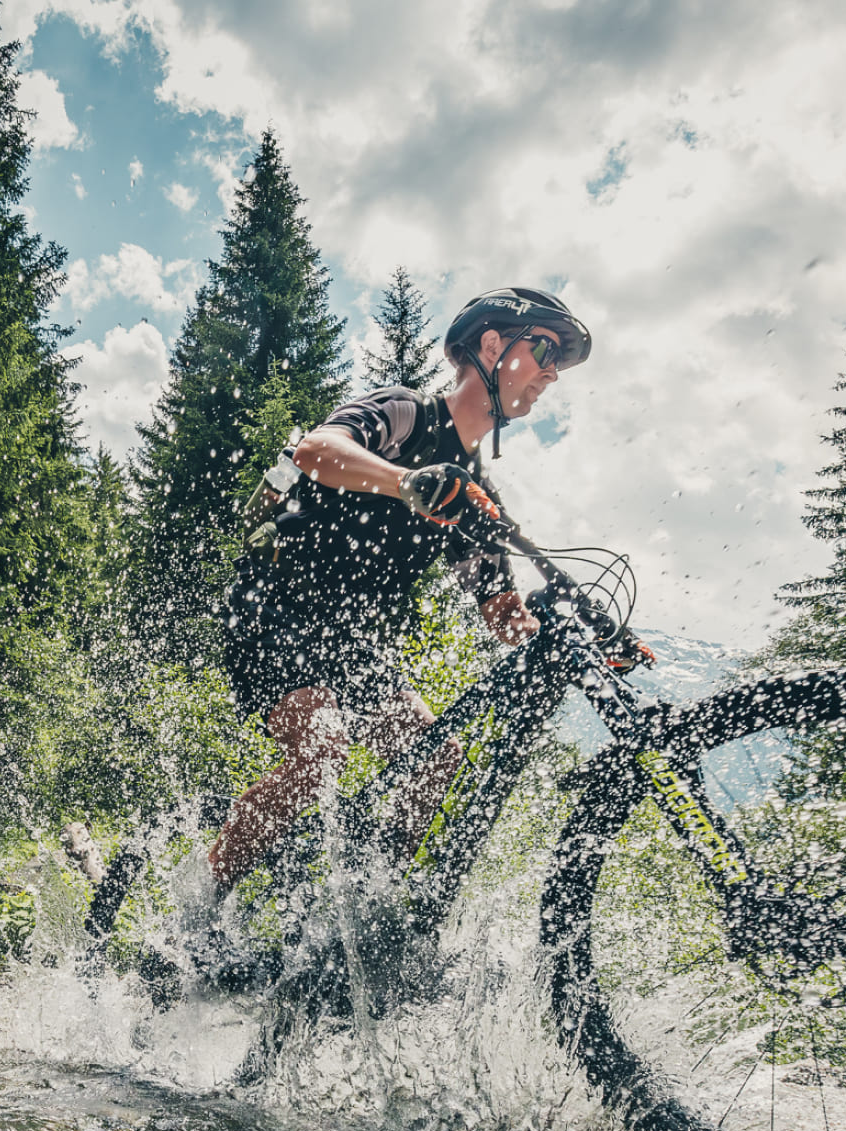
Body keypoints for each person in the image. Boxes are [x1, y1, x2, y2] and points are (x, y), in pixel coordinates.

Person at [208, 286, 591, 898]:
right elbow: (316, 449)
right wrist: (408, 481)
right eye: (543, 349)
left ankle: (364, 907)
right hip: (274, 607)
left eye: (556, 361)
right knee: (321, 754)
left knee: (437, 756)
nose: (551, 372)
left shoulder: (471, 493)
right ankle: (198, 905)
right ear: (491, 346)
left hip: (348, 638)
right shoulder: (408, 413)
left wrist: (580, 645)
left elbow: (503, 612)